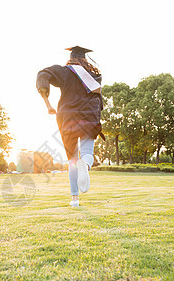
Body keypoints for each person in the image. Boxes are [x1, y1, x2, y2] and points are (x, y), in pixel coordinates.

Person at [36, 46, 104, 207]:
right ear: (85, 59)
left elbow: (43, 74)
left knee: (72, 160)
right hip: (89, 117)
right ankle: (85, 167)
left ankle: (75, 199)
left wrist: (47, 103)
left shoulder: (65, 71)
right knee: (87, 153)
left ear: (71, 57)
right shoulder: (95, 75)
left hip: (68, 119)